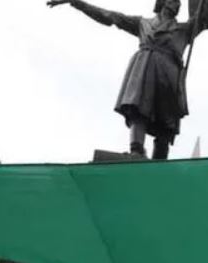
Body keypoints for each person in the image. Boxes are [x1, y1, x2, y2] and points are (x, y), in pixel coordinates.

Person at [48, 0, 198, 160]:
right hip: (144, 68)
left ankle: (159, 160)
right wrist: (77, 3)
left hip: (169, 76)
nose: (178, 4)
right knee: (138, 109)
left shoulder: (185, 29)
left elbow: (207, 15)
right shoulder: (143, 23)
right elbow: (109, 16)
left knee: (166, 122)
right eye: (174, 0)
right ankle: (136, 151)